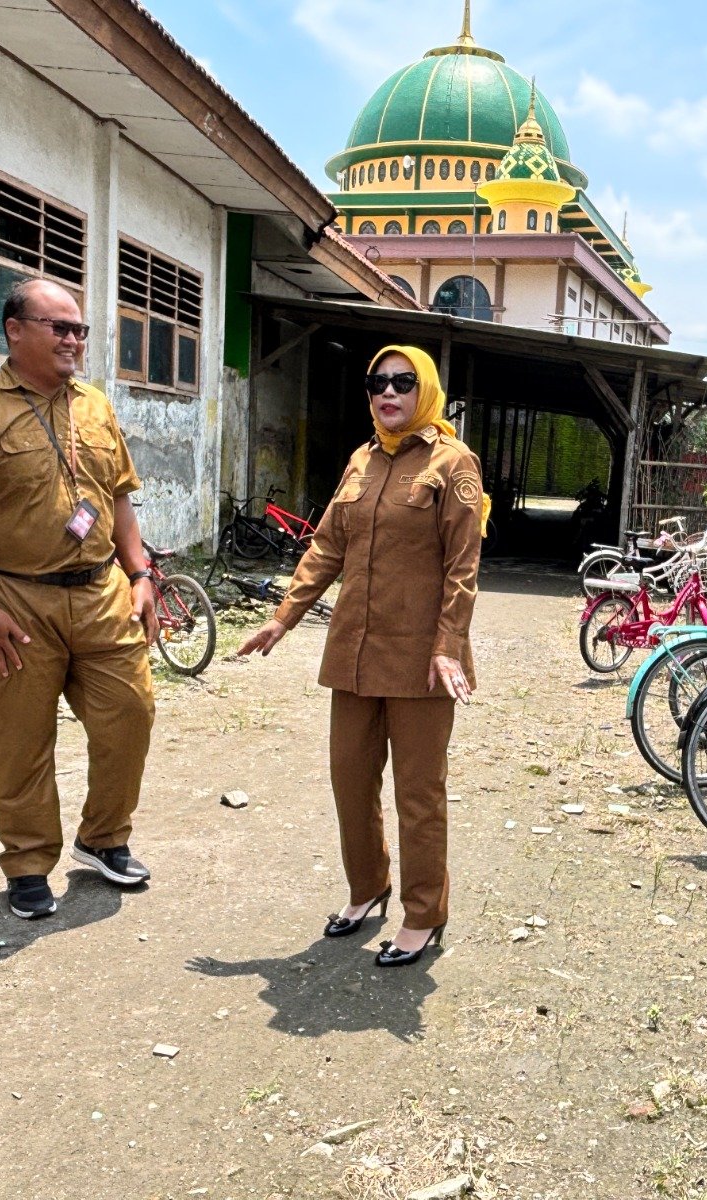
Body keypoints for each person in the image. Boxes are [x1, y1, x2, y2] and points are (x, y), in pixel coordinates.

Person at [239, 345, 488, 968]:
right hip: (353, 653)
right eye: (378, 382)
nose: (388, 392)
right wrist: (281, 618)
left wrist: (448, 645)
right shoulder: (362, 459)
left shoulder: (453, 464)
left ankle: (424, 913)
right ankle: (366, 886)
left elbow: (464, 566)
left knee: (418, 792)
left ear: (424, 389)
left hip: (421, 663)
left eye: (403, 382)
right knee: (350, 781)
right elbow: (326, 548)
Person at [0, 278, 159, 920]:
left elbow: (117, 498)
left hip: (101, 592)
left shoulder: (95, 406)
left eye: (80, 329)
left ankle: (103, 838)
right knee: (21, 740)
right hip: (14, 599)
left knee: (130, 716)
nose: (73, 340)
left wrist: (139, 574)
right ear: (14, 329)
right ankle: (28, 864)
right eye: (59, 327)